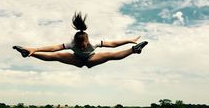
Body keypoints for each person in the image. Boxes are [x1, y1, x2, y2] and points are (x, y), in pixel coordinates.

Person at [13, 12, 148, 68]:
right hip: (76, 60)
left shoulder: (93, 42)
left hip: (91, 59)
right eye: (80, 45)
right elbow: (53, 48)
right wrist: (34, 49)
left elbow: (112, 44)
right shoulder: (72, 44)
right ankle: (28, 53)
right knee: (56, 56)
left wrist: (129, 41)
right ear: (75, 42)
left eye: (84, 45)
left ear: (88, 42)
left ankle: (134, 50)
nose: (82, 47)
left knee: (110, 55)